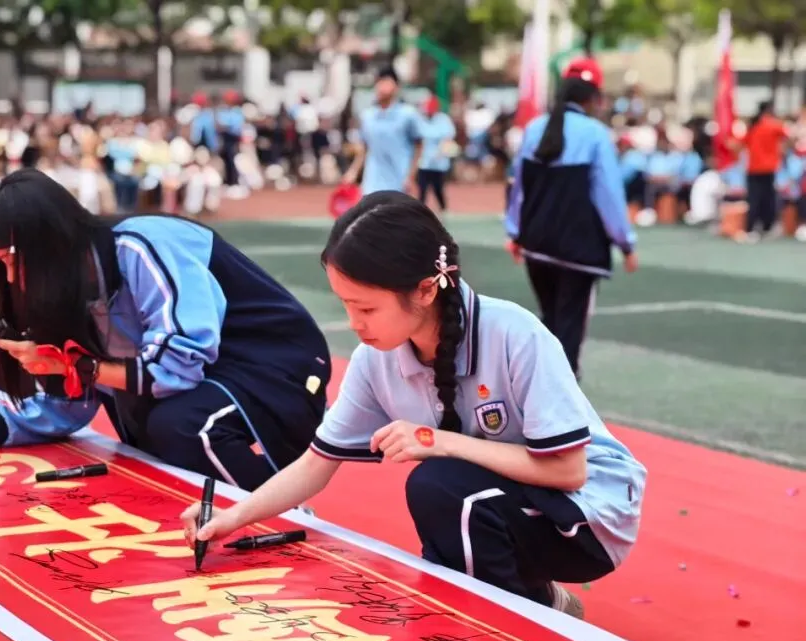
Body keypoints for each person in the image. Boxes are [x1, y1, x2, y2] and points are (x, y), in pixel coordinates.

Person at [181, 192, 646, 618]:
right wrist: (232, 516)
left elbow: (568, 471)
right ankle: (539, 603)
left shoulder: (514, 334)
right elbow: (315, 464)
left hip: (588, 518)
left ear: (425, 290)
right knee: (443, 495)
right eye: (346, 305)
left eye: (366, 309)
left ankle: (520, 626)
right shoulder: (375, 359)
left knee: (440, 486)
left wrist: (437, 441)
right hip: (511, 504)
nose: (354, 324)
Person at [0, 169, 332, 492]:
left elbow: (181, 364)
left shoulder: (140, 245)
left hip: (278, 362)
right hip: (213, 373)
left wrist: (79, 366)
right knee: (140, 418)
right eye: (1, 264)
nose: (11, 278)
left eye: (12, 259)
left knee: (179, 422)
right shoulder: (67, 288)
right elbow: (67, 403)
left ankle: (274, 507)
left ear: (49, 241)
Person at [505, 57, 638, 379]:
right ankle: (561, 405)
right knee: (569, 331)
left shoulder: (535, 129)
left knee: (550, 323)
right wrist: (625, 242)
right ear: (593, 97)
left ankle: (537, 395)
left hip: (536, 244)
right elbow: (608, 194)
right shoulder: (595, 134)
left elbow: (518, 186)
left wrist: (515, 232)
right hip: (578, 249)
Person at [342, 66, 422, 195]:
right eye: (379, 82)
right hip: (372, 183)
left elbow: (419, 146)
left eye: (386, 82)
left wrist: (411, 176)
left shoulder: (408, 114)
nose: (381, 86)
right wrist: (353, 171)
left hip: (399, 183)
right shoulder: (367, 116)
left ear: (396, 87)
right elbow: (364, 148)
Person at [735, 101, 786, 243]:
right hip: (769, 168)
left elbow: (738, 143)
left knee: (754, 199)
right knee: (768, 199)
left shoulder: (753, 125)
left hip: (754, 168)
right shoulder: (774, 125)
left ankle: (751, 229)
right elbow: (789, 138)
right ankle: (766, 227)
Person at [415, 95, 456, 213]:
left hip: (439, 162)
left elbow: (448, 138)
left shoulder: (444, 120)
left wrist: (441, 152)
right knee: (422, 189)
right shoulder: (420, 120)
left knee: (438, 188)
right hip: (424, 162)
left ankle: (444, 210)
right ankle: (419, 212)